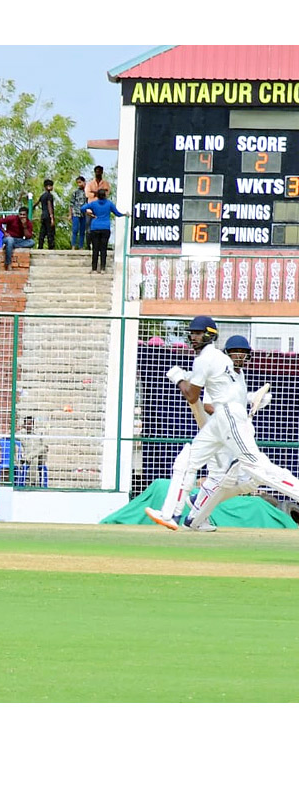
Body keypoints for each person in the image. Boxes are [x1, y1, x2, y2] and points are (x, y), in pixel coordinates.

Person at [148, 320, 299, 532]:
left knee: (258, 468)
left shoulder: (207, 360)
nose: (194, 337)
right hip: (221, 419)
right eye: (192, 333)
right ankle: (172, 515)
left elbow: (192, 396)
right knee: (189, 463)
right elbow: (212, 395)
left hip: (228, 417)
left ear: (210, 335)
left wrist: (179, 379)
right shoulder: (218, 359)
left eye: (199, 334)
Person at [85, 186, 122, 273]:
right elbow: (117, 213)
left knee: (95, 249)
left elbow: (83, 208)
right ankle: (102, 268)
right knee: (103, 249)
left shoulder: (93, 204)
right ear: (105, 195)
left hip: (95, 227)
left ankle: (94, 268)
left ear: (97, 196)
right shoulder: (109, 204)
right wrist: (125, 214)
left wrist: (91, 214)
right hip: (105, 228)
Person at [0, 206, 35, 271]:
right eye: (20, 214)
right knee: (10, 240)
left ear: (27, 215)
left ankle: (10, 246)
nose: (22, 216)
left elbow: (28, 237)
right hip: (9, 238)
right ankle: (8, 263)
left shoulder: (28, 223)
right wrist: (4, 232)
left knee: (32, 242)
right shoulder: (12, 218)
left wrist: (24, 226)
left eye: (24, 215)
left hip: (19, 240)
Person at [15, 416, 48, 488]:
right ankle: (31, 483)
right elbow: (7, 436)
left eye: (30, 424)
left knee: (43, 448)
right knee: (34, 460)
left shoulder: (38, 434)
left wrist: (31, 456)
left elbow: (45, 447)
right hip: (28, 460)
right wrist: (16, 429)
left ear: (33, 424)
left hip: (40, 458)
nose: (29, 426)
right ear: (24, 424)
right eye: (27, 424)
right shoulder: (20, 434)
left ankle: (28, 482)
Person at [35, 178, 57, 251]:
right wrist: (52, 217)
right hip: (48, 215)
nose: (52, 187)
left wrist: (31, 209)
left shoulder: (42, 195)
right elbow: (49, 205)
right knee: (50, 232)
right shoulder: (49, 196)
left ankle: (40, 246)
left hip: (43, 215)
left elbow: (36, 203)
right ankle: (51, 247)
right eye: (50, 186)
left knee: (42, 232)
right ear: (48, 187)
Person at [69, 175, 89, 250]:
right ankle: (73, 245)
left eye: (80, 182)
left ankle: (81, 246)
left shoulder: (87, 192)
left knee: (82, 230)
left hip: (84, 214)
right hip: (76, 212)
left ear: (84, 182)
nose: (79, 184)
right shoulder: (75, 192)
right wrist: (70, 214)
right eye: (78, 183)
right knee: (75, 229)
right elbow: (71, 204)